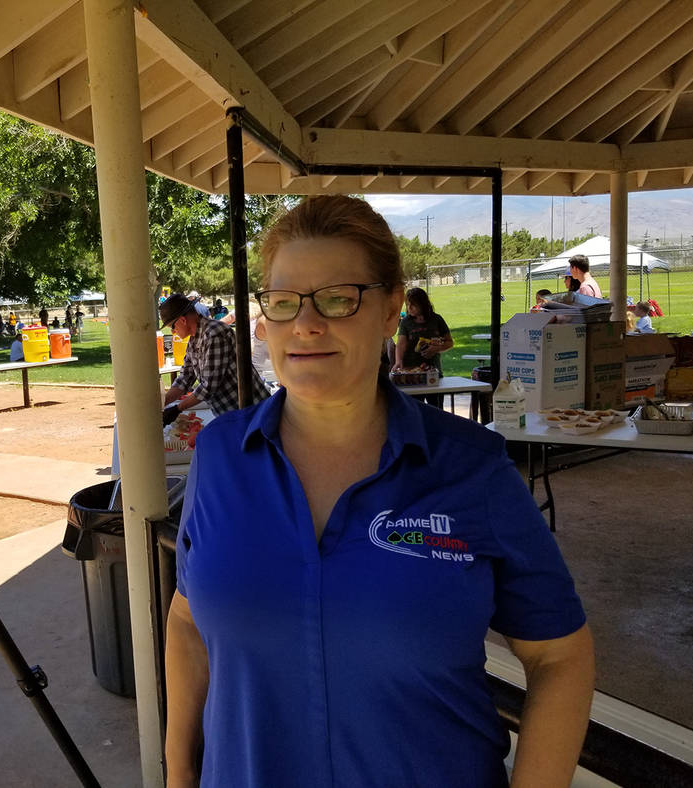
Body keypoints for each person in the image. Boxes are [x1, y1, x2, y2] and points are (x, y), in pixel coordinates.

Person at [165, 195, 594, 788]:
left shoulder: (472, 470)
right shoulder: (219, 458)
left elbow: (560, 656)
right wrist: (178, 772)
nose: (306, 325)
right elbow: (187, 622)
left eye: (339, 299)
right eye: (285, 303)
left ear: (392, 308)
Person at [159, 292, 269, 423]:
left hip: (252, 411)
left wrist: (177, 409)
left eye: (172, 328)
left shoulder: (215, 333)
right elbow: (185, 378)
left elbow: (209, 386)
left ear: (182, 320)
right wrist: (162, 403)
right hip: (232, 415)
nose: (173, 332)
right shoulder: (194, 340)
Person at [392, 286, 453, 375]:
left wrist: (436, 349)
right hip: (411, 370)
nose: (410, 307)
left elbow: (449, 342)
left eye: (413, 304)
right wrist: (398, 361)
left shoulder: (436, 319)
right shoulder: (406, 322)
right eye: (408, 304)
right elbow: (401, 344)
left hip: (433, 370)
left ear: (422, 304)